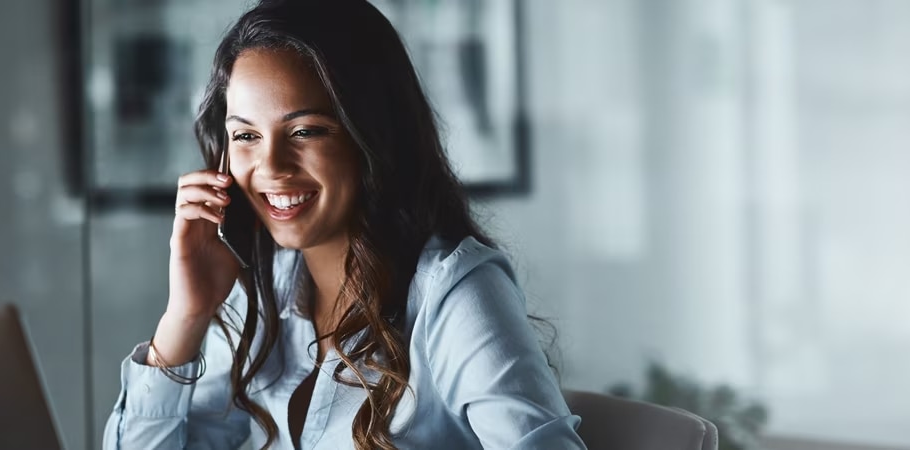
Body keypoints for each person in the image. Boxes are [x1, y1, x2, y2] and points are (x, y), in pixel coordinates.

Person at [103, 0, 584, 448]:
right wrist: (184, 318)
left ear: (371, 135)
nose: (271, 166)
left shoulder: (454, 294)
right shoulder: (266, 288)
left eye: (306, 131)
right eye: (246, 135)